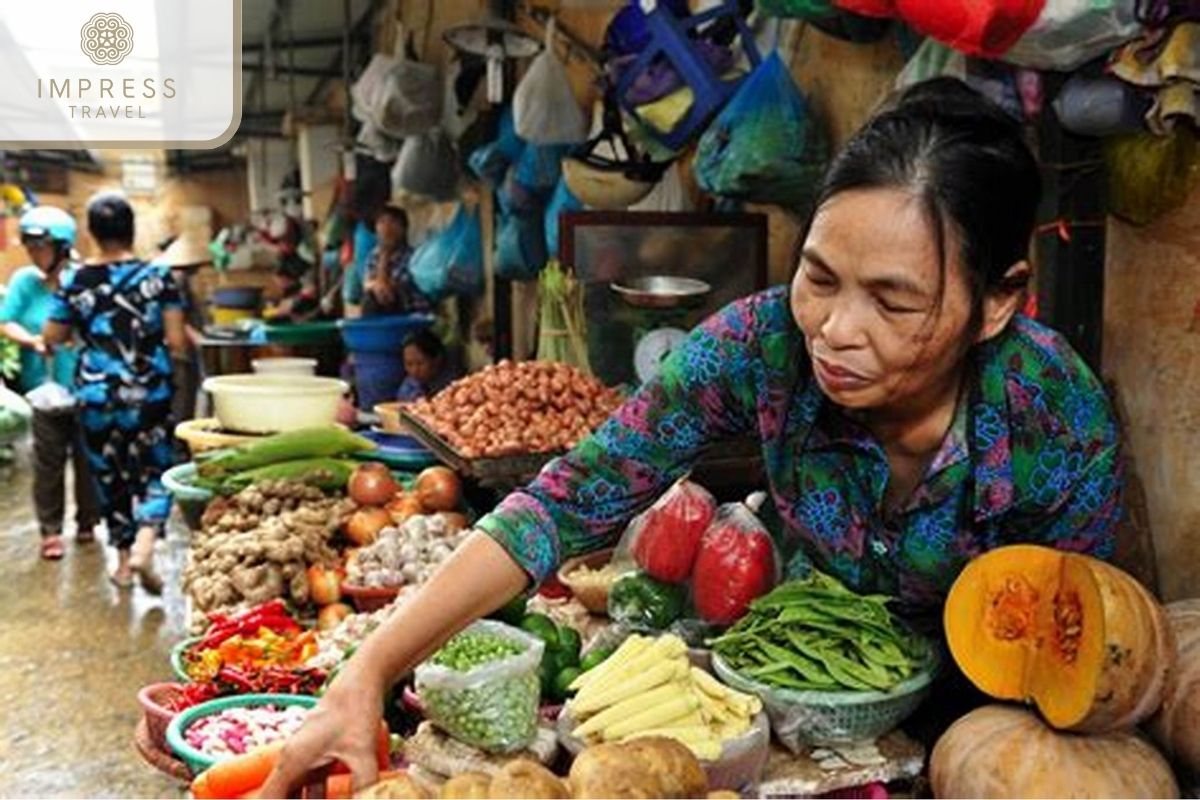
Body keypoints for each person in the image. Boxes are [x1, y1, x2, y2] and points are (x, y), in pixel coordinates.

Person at [262, 79, 1123, 794]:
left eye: (894, 302)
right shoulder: (758, 346)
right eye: (817, 278)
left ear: (1000, 300)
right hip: (800, 710)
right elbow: (566, 500)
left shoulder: (1054, 415)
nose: (834, 330)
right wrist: (364, 675)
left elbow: (1075, 638)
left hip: (988, 727)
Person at [43, 191, 188, 593]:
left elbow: (52, 335)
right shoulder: (159, 277)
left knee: (109, 474)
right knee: (156, 470)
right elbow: (176, 341)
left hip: (95, 396)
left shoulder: (74, 280)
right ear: (131, 229)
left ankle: (123, 563)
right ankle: (145, 544)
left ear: (91, 232)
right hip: (149, 394)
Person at [0, 206, 100, 560]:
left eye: (40, 246)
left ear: (61, 246)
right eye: (29, 247)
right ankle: (51, 531)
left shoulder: (83, 279)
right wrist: (32, 341)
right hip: (44, 390)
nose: (33, 253)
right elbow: (6, 320)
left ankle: (88, 522)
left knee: (88, 461)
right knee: (48, 461)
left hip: (87, 386)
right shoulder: (26, 282)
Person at [358, 206, 431, 318]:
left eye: (392, 221)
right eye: (381, 222)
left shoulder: (413, 256)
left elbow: (396, 285)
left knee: (392, 293)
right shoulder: (373, 255)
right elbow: (366, 283)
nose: (386, 227)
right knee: (370, 297)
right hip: (384, 303)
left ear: (403, 229)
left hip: (411, 311)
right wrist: (376, 284)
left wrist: (384, 259)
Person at [395, 329, 456, 402]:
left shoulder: (452, 386)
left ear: (437, 360)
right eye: (409, 364)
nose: (414, 370)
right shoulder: (409, 387)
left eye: (420, 363)